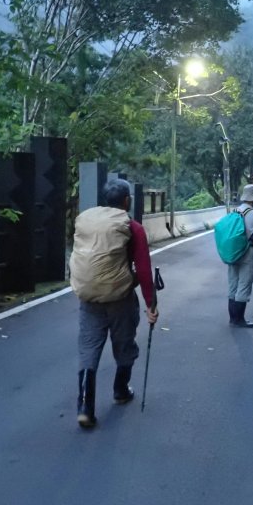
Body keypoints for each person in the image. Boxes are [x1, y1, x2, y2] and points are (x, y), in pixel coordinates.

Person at [70, 179, 158, 429]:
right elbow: (143, 269)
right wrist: (151, 304)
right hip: (120, 298)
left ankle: (85, 406)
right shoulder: (133, 227)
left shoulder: (88, 220)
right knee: (124, 344)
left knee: (89, 348)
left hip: (88, 298)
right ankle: (120, 390)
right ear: (127, 201)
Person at [227, 183, 253, 328]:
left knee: (233, 284)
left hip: (232, 252)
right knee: (244, 285)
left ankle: (232, 318)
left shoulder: (234, 211)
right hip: (246, 253)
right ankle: (240, 320)